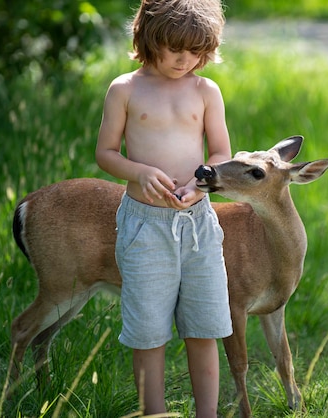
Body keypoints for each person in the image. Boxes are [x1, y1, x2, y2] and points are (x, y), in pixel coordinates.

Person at [95, 0, 233, 416]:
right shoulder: (125, 89)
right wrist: (137, 172)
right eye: (175, 48)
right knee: (148, 334)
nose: (184, 60)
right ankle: (153, 413)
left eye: (195, 52)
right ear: (149, 37)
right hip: (146, 227)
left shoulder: (205, 90)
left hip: (199, 226)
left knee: (204, 328)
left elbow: (222, 151)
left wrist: (202, 183)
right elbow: (105, 153)